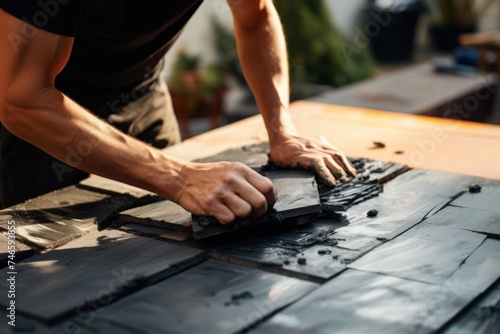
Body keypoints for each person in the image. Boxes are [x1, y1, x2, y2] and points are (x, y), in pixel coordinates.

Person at [0, 0, 356, 224]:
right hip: (36, 126)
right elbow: (22, 97)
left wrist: (282, 131)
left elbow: (254, 15)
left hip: (142, 95)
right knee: (38, 282)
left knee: (177, 243)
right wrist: (178, 177)